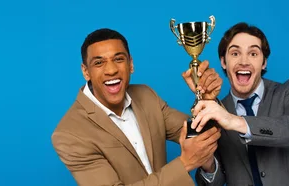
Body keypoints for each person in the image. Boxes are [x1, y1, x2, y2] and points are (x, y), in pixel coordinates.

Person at [50, 28, 223, 185]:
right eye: (99, 63)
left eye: (118, 59)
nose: (111, 70)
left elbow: (201, 136)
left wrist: (206, 100)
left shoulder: (147, 96)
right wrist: (184, 164)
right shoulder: (69, 134)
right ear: (85, 71)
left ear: (130, 64)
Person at [190, 22, 289, 186]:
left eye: (253, 53)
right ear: (224, 61)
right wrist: (207, 162)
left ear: (264, 62)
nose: (244, 61)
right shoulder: (216, 111)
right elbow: (214, 182)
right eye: (235, 53)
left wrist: (235, 121)